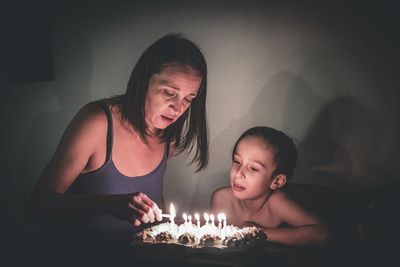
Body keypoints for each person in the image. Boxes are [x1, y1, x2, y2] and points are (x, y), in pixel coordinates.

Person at [28, 33, 208, 252]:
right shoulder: (96, 122)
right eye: (169, 93)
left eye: (189, 99)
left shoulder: (167, 136)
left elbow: (153, 212)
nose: (178, 108)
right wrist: (107, 204)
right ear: (144, 82)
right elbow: (38, 206)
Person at [211, 126, 329, 247]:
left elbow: (321, 234)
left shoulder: (277, 203)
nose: (238, 173)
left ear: (276, 181)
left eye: (253, 168)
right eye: (237, 161)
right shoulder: (221, 198)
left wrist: (258, 231)